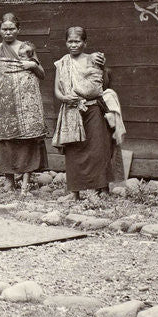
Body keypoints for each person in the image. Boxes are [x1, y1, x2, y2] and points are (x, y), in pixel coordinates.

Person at [0, 13, 47, 194]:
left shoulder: (26, 47)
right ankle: (9, 181)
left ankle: (25, 180)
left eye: (12, 29)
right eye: (4, 29)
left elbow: (41, 74)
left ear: (19, 30)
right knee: (6, 141)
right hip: (4, 103)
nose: (8, 33)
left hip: (25, 104)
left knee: (25, 141)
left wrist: (32, 65)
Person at [53, 26, 120, 199]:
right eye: (70, 41)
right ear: (65, 42)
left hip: (93, 109)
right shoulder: (62, 63)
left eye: (77, 41)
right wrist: (65, 98)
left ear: (85, 42)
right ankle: (74, 192)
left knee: (98, 148)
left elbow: (98, 86)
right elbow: (57, 91)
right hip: (71, 111)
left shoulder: (93, 60)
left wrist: (81, 92)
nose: (73, 45)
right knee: (74, 150)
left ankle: (102, 189)